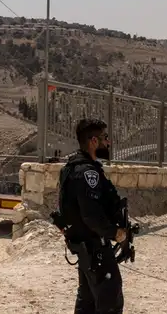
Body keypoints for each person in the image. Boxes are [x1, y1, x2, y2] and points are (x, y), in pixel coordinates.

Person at [56, 119, 127, 314]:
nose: (108, 142)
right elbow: (91, 215)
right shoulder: (88, 173)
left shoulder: (72, 168)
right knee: (110, 301)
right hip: (95, 248)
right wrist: (115, 233)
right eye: (105, 138)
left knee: (87, 302)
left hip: (86, 248)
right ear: (94, 141)